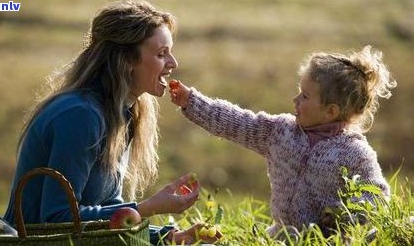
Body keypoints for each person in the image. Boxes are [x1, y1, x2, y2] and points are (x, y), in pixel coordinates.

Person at [3, 0, 220, 245]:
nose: (173, 63)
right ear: (126, 60)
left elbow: (105, 212)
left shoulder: (122, 113)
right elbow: (55, 220)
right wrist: (147, 207)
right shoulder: (80, 117)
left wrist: (168, 237)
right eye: (161, 54)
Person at [169, 45, 396, 238]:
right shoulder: (281, 131)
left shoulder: (355, 152)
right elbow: (237, 123)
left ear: (331, 111)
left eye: (305, 96)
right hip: (280, 235)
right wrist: (192, 101)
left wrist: (343, 219)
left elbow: (376, 196)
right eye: (299, 91)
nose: (295, 99)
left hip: (326, 240)